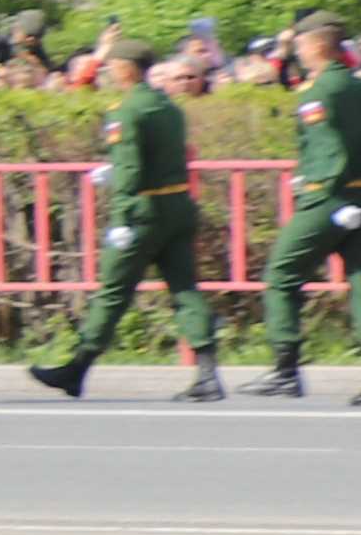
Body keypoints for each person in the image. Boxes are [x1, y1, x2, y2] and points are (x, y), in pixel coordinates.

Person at [28, 40, 227, 401]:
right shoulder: (167, 105)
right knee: (184, 289)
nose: (108, 71)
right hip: (178, 205)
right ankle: (208, 373)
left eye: (113, 65)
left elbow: (133, 168)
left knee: (113, 292)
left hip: (144, 212)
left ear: (126, 68)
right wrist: (115, 169)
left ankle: (78, 367)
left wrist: (121, 216)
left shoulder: (127, 110)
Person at [268, 9, 359, 403]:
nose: (299, 52)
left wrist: (317, 187)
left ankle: (285, 369)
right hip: (358, 196)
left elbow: (327, 150)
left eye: (301, 44)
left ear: (318, 44)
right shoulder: (355, 85)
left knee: (282, 273)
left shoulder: (321, 91)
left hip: (329, 198)